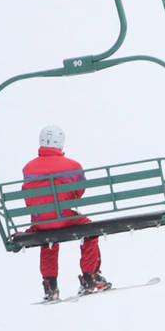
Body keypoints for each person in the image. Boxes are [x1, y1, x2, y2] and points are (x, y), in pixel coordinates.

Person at [23, 124, 112, 301]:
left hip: (41, 222)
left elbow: (28, 196)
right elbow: (79, 191)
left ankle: (50, 285)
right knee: (89, 228)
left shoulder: (28, 169)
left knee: (48, 239)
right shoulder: (73, 166)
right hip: (64, 218)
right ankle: (90, 276)